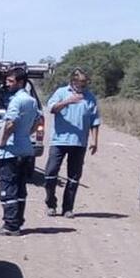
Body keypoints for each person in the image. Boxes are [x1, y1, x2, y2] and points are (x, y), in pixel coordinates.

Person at [44, 68, 101, 218]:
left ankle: (68, 208)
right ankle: (50, 203)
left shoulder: (90, 97)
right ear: (73, 81)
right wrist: (68, 101)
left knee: (74, 177)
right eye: (80, 82)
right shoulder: (61, 92)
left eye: (85, 82)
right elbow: (51, 108)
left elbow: (94, 120)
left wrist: (95, 140)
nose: (83, 85)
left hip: (79, 142)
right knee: (50, 173)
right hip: (59, 140)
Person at [0, 67, 40, 236]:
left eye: (11, 81)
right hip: (25, 150)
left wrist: (3, 141)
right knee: (20, 188)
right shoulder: (31, 100)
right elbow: (38, 119)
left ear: (20, 82)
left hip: (11, 152)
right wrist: (26, 134)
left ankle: (10, 225)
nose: (7, 84)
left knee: (8, 188)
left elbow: (11, 123)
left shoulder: (16, 101)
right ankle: (17, 222)